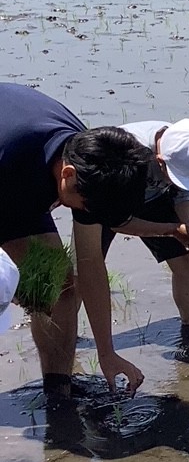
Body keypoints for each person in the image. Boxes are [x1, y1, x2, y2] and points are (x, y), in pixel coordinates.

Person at [0, 84, 149, 397]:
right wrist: (13, 284)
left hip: (21, 183)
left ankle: (58, 391)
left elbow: (90, 263)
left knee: (60, 288)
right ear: (66, 175)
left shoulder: (94, 165)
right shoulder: (14, 161)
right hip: (8, 173)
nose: (90, 215)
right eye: (88, 208)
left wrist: (106, 352)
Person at [111, 118, 189, 339]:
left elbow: (182, 193)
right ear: (160, 161)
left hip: (156, 196)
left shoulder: (187, 145)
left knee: (187, 258)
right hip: (107, 197)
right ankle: (67, 344)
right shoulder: (126, 155)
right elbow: (116, 220)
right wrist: (171, 229)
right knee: (80, 270)